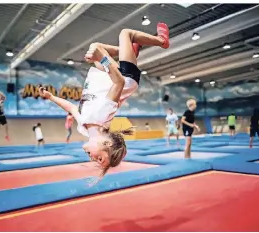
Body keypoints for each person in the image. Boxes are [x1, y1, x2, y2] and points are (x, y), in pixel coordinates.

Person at [39, 23, 170, 179]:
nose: (92, 159)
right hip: (125, 78)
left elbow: (71, 108)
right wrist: (101, 58)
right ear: (107, 144)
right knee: (125, 33)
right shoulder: (102, 117)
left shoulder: (84, 128)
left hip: (106, 77)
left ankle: (130, 50)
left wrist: (51, 97)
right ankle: (162, 42)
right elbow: (119, 83)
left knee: (96, 46)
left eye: (95, 161)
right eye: (100, 158)